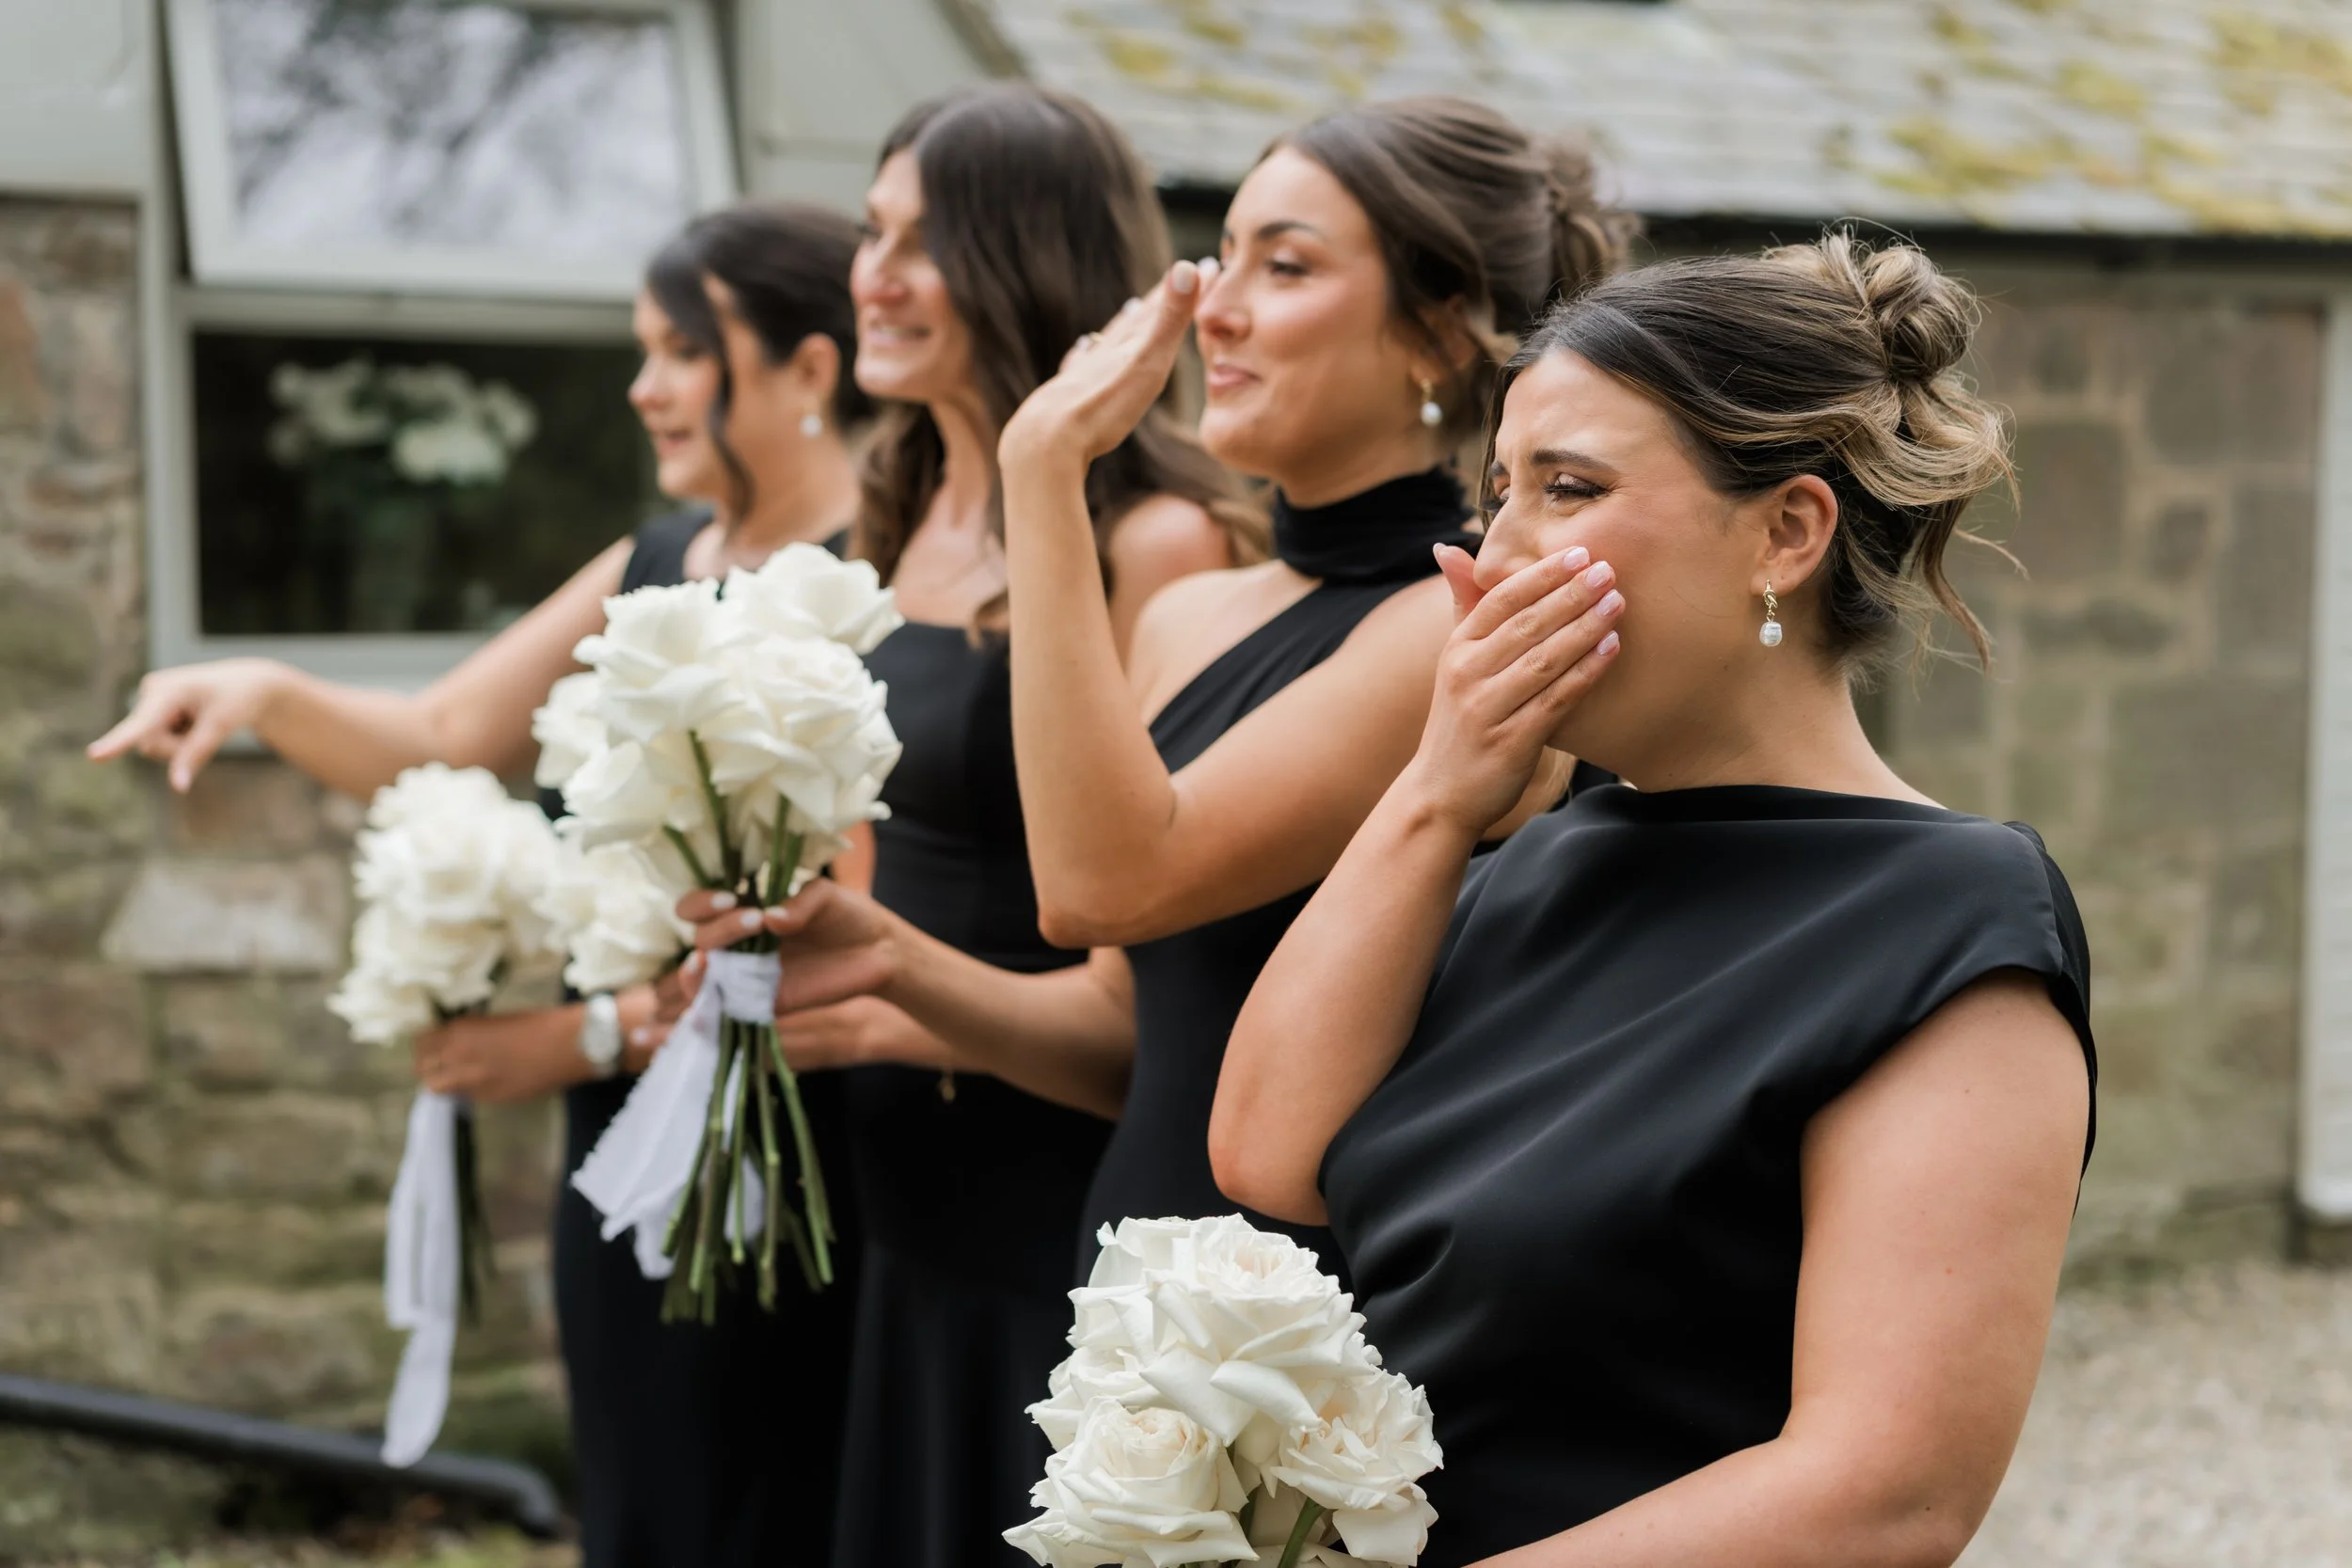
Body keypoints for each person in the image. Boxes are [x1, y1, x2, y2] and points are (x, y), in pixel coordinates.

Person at [1209, 234, 2097, 1568]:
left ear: (1787, 532)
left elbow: (1883, 1491)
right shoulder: (1522, 865)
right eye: (1495, 492)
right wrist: (1437, 796)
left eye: (1568, 489)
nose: (1493, 550)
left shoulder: (1949, 923)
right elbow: (1267, 1154)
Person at [701, 98, 1634, 1291]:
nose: (1214, 306)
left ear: (1440, 335)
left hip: (1302, 1299)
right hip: (1134, 1259)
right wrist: (888, 957)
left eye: (1283, 264)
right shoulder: (1198, 611)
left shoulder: (1445, 630)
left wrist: (1041, 471)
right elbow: (1118, 1038)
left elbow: (1099, 885)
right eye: (1223, 255)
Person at [88, 202, 877, 1568]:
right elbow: (449, 731)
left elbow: (829, 926)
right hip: (624, 1154)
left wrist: (575, 1035)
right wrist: (261, 687)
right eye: (641, 349)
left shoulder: (890, 584)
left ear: (810, 367)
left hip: (804, 1168)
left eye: (683, 348)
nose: (643, 385)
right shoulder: (656, 560)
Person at [801, 84, 1252, 1568]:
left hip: (1043, 1221)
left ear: (1031, 260)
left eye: (923, 241)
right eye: (871, 232)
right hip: (889, 1222)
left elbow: (1142, 1024)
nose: (873, 273)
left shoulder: (1160, 542)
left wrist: (893, 992)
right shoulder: (889, 514)